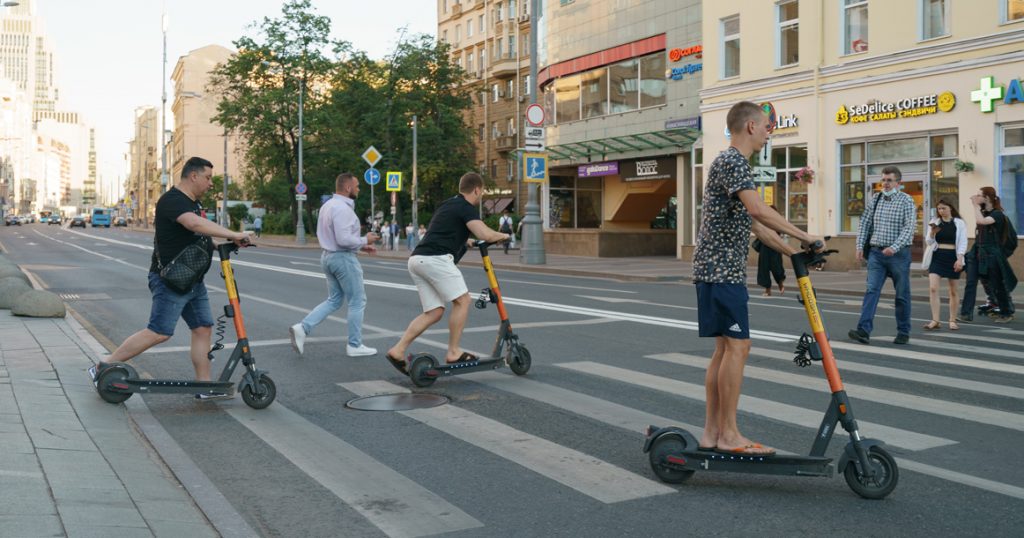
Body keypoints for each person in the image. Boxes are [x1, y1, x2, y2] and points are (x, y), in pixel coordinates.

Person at [692, 102, 823, 456]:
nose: (770, 132)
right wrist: (806, 236)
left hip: (716, 269)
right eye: (767, 126)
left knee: (724, 349)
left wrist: (792, 252)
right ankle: (729, 434)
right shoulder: (733, 162)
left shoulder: (729, 164)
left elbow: (756, 226)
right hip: (721, 271)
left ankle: (712, 433)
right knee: (738, 346)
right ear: (750, 126)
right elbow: (759, 210)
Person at [87, 157, 253, 400]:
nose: (210, 184)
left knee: (203, 328)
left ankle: (204, 387)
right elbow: (193, 224)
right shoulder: (172, 201)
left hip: (192, 280)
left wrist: (221, 244)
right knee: (160, 332)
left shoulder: (194, 202)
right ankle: (103, 365)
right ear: (193, 176)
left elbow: (196, 236)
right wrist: (234, 232)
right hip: (171, 281)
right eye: (207, 178)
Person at [384, 172, 509, 373]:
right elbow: (485, 234)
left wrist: (465, 241)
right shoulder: (466, 207)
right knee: (463, 300)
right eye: (481, 192)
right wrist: (502, 235)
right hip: (436, 259)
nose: (481, 196)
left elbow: (444, 231)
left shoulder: (449, 204)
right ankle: (453, 351)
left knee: (434, 312)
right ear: (477, 189)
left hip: (418, 259)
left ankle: (398, 350)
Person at [290, 173, 381, 357]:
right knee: (357, 301)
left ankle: (303, 328)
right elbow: (343, 239)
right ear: (348, 188)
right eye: (357, 186)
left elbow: (335, 237)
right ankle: (355, 345)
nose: (358, 189)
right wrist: (365, 239)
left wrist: (362, 246)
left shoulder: (328, 206)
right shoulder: (343, 209)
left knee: (334, 300)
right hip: (342, 258)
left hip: (328, 256)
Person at [848, 166, 916, 345]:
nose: (885, 184)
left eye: (889, 180)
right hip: (877, 254)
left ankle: (903, 331)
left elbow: (909, 228)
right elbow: (864, 223)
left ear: (898, 183)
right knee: (871, 291)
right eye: (883, 180)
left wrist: (894, 247)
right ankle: (863, 330)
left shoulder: (906, 201)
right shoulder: (875, 199)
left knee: (901, 294)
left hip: (898, 255)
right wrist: (859, 245)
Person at [958, 187, 1017, 324]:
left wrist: (974, 205)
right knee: (971, 282)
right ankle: (966, 314)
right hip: (977, 251)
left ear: (988, 198)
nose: (976, 197)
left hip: (992, 254)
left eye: (979, 195)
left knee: (997, 284)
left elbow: (981, 222)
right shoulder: (983, 212)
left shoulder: (997, 214)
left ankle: (1006, 312)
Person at [922, 197, 967, 330]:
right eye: (939, 208)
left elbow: (963, 242)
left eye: (944, 208)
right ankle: (935, 320)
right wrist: (931, 233)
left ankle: (952, 319)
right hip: (937, 256)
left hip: (953, 257)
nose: (941, 211)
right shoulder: (935, 222)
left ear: (950, 208)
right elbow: (929, 242)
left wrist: (960, 259)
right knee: (933, 288)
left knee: (953, 290)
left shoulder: (959, 223)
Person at [754, 205, 786, 297]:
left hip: (775, 246)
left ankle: (780, 284)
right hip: (765, 245)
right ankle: (768, 290)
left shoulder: (777, 221)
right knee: (764, 268)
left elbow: (780, 232)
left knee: (776, 267)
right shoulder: (763, 220)